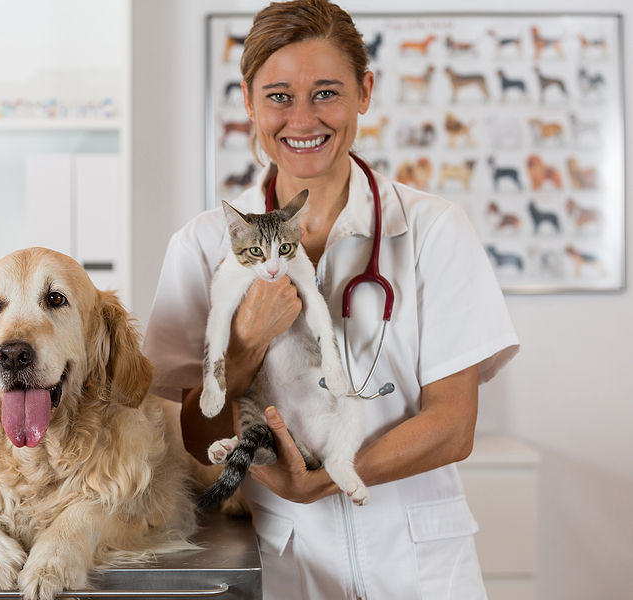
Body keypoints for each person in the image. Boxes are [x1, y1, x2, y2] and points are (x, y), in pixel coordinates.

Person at [143, 0, 519, 598]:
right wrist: (242, 345)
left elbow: (454, 424)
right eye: (278, 96)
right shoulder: (203, 244)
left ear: (364, 92)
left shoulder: (433, 229)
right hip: (291, 560)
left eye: (326, 92)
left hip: (421, 566)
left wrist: (325, 481)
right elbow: (195, 432)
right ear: (247, 102)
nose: (302, 119)